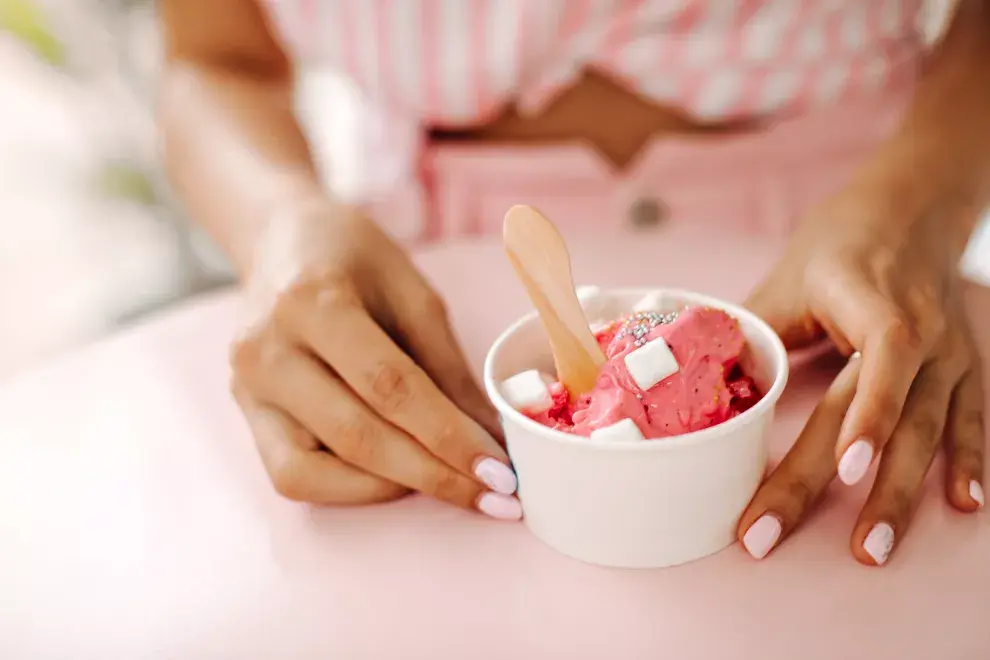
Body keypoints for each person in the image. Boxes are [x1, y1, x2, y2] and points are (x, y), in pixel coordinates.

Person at [159, 0, 988, 567]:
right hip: (428, 296)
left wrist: (925, 191)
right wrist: (280, 223)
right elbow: (214, 62)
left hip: (847, 279)